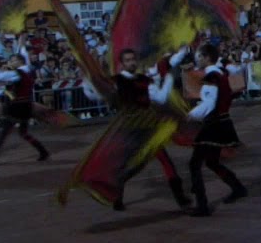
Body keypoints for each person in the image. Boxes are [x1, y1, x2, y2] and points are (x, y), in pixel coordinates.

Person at [82, 47, 193, 210]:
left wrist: (168, 77)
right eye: (128, 60)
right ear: (122, 63)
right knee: (125, 166)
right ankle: (117, 199)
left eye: (133, 59)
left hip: (147, 130)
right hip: (130, 131)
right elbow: (96, 96)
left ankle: (181, 199)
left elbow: (161, 98)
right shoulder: (116, 81)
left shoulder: (143, 79)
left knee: (166, 163)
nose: (132, 62)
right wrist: (88, 81)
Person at [185, 42, 247, 217]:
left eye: (199, 56)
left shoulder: (212, 76)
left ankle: (202, 206)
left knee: (195, 164)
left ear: (206, 57)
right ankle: (238, 188)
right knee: (211, 161)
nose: (197, 59)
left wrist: (192, 114)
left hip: (214, 124)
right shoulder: (219, 73)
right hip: (222, 122)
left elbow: (209, 103)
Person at [0, 50, 49, 164]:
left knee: (4, 132)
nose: (11, 62)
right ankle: (43, 151)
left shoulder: (18, 73)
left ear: (19, 61)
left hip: (18, 106)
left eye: (13, 60)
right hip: (26, 105)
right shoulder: (28, 71)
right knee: (23, 133)